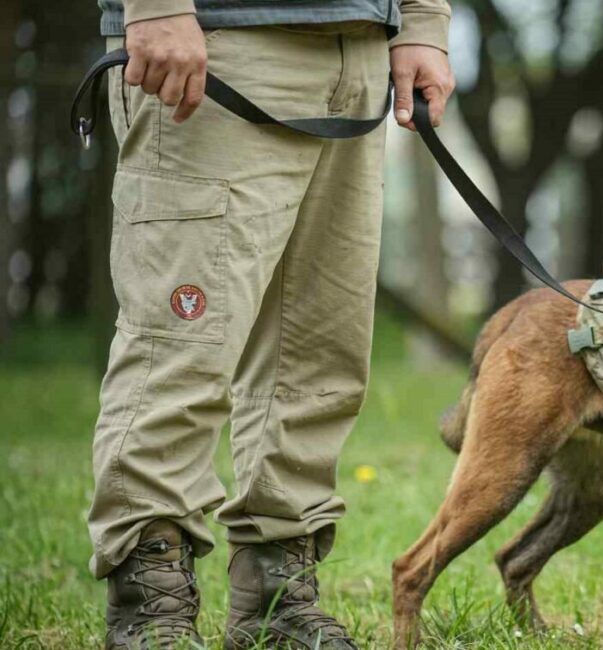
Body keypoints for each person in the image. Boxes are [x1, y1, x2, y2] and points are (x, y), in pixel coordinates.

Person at [88, 0, 454, 647]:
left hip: (357, 51)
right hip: (215, 43)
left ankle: (276, 595)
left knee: (318, 353)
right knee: (181, 346)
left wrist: (423, 21)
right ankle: (151, 605)